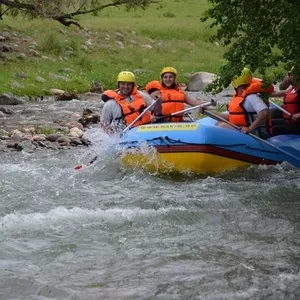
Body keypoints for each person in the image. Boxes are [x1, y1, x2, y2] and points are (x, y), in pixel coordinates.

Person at [209, 68, 273, 137]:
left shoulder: (251, 97)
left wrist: (249, 128)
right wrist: (207, 111)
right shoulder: (239, 97)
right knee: (219, 124)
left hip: (256, 135)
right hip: (245, 132)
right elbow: (228, 117)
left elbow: (265, 112)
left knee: (222, 126)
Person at [270, 68, 300, 135]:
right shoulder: (294, 88)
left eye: (291, 75)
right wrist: (266, 94)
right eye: (289, 75)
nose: (289, 77)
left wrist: (298, 114)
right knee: (269, 123)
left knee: (274, 128)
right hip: (290, 121)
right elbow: (280, 92)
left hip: (297, 124)